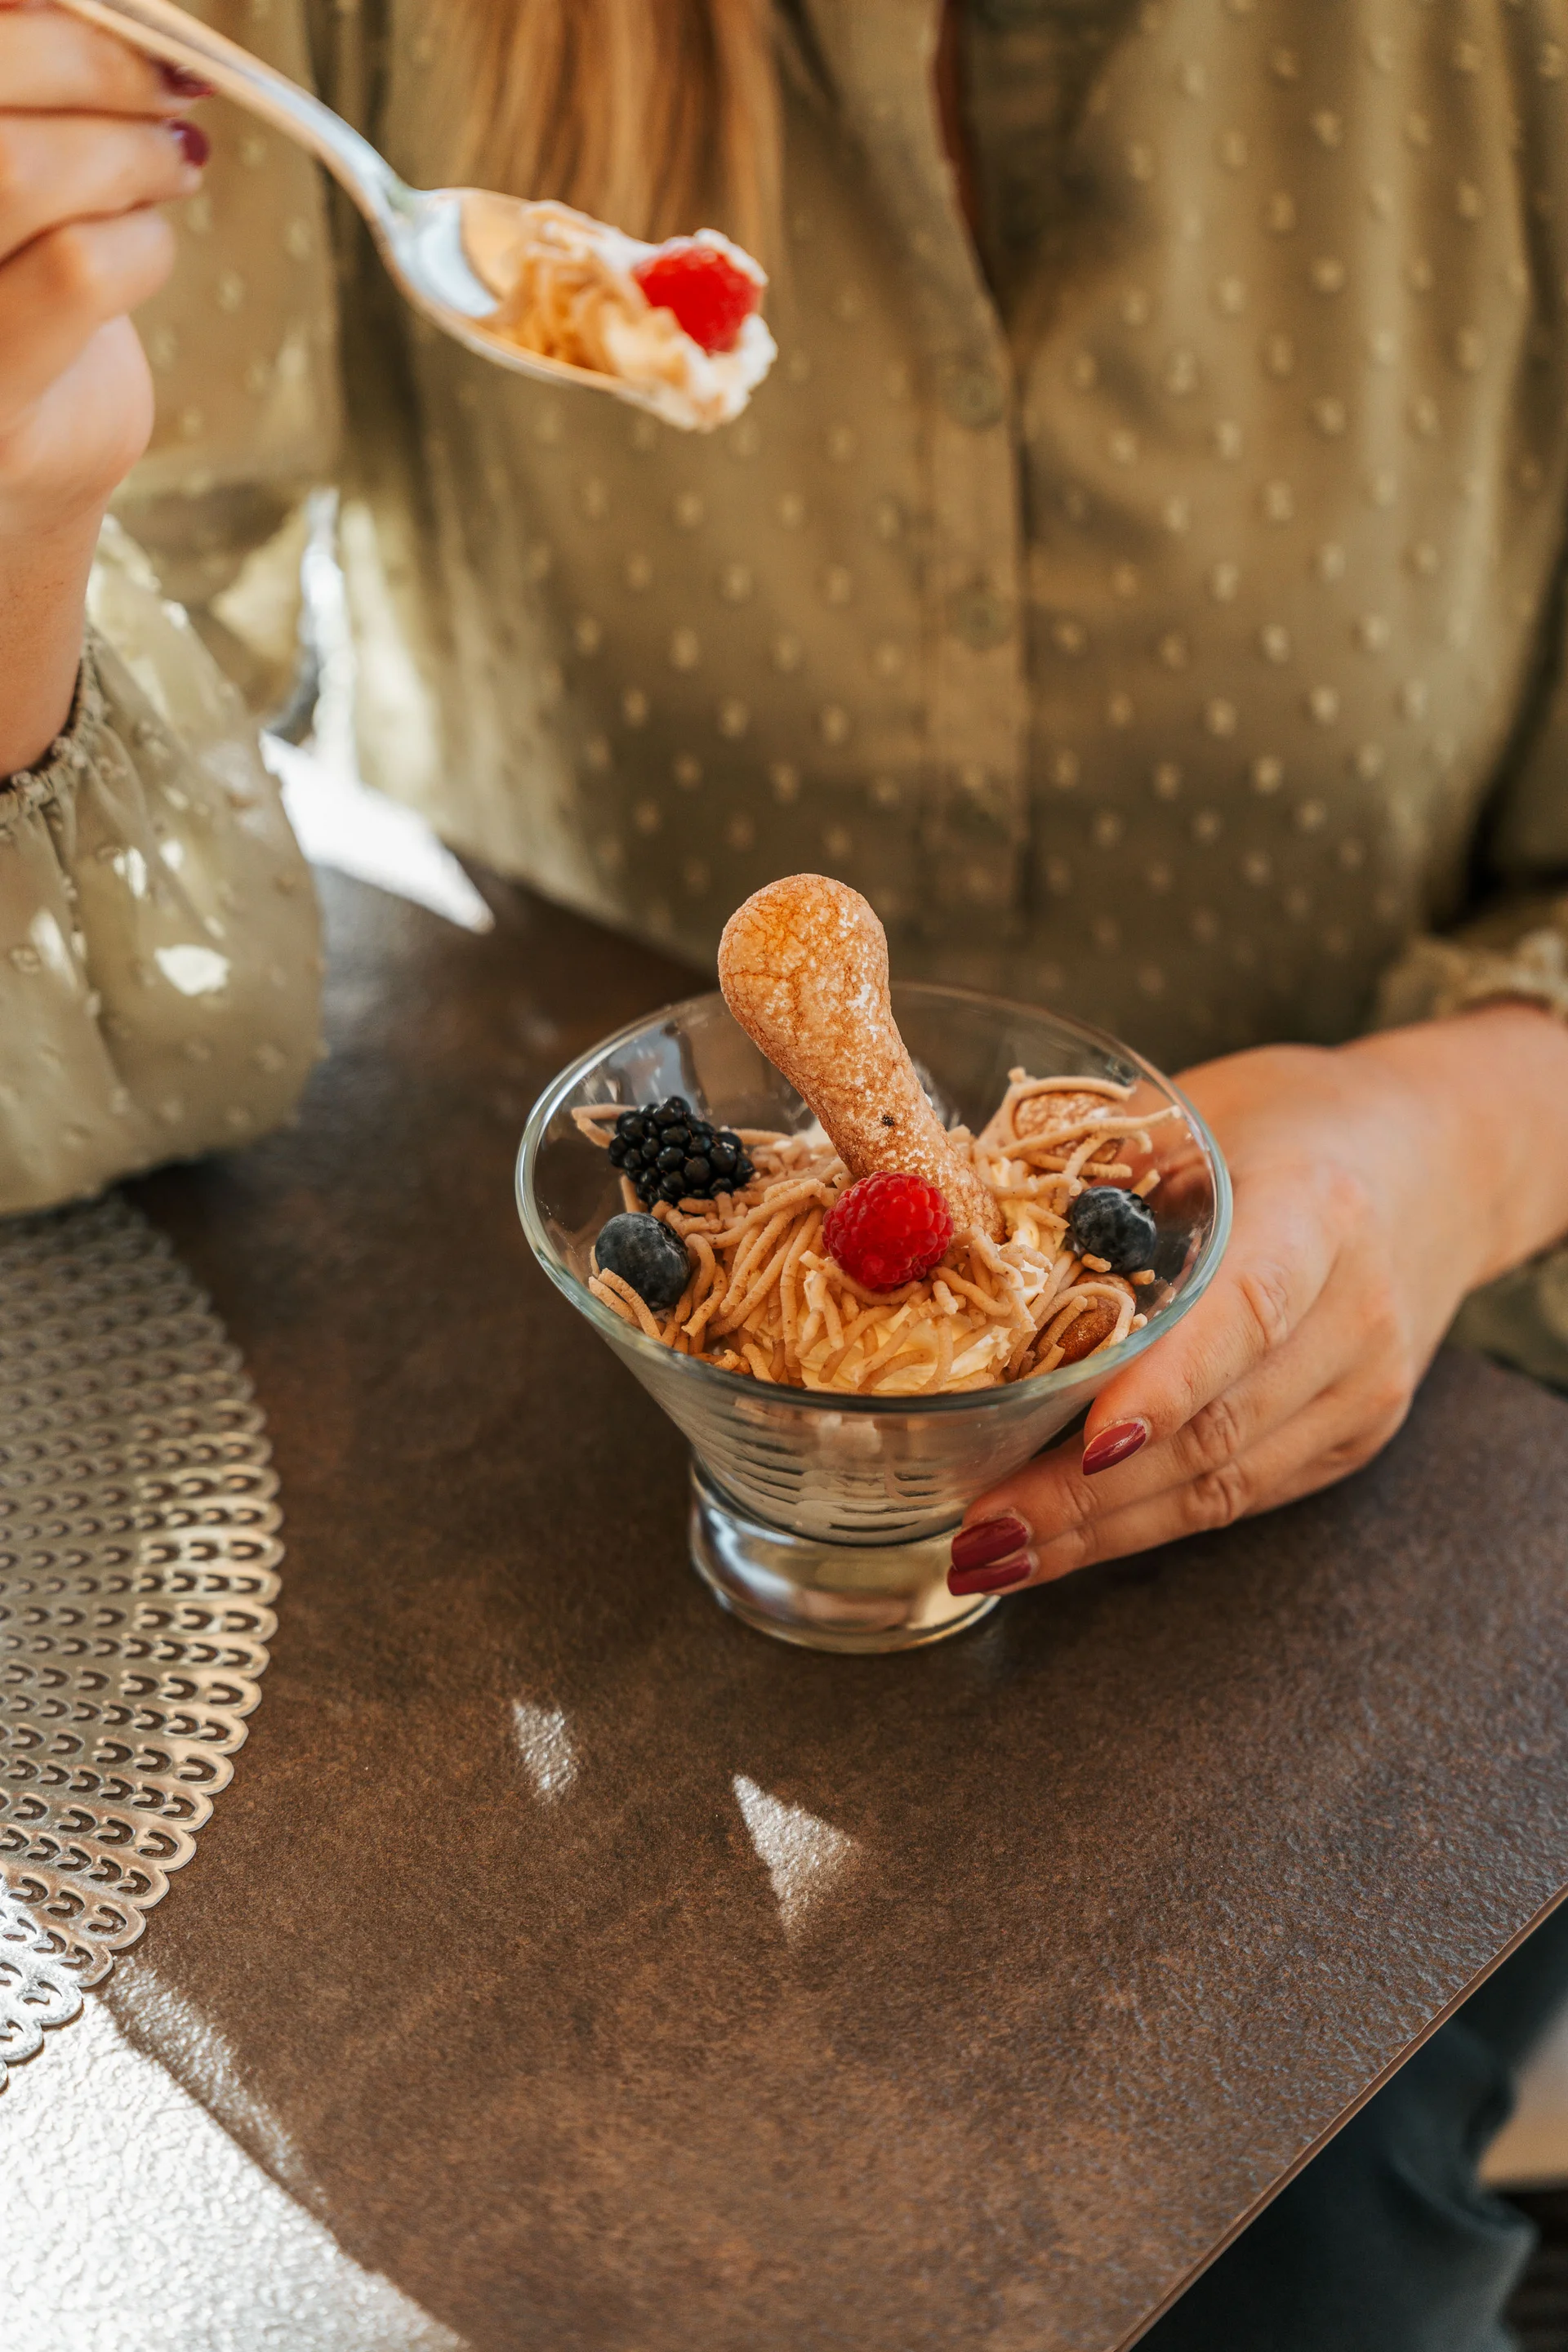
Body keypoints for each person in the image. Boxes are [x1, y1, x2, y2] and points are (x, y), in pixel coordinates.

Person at [1, 2, 1566, 2341]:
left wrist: (1449, 1131)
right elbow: (126, 993)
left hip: (1417, 1493)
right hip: (556, 1463)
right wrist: (25, 503)